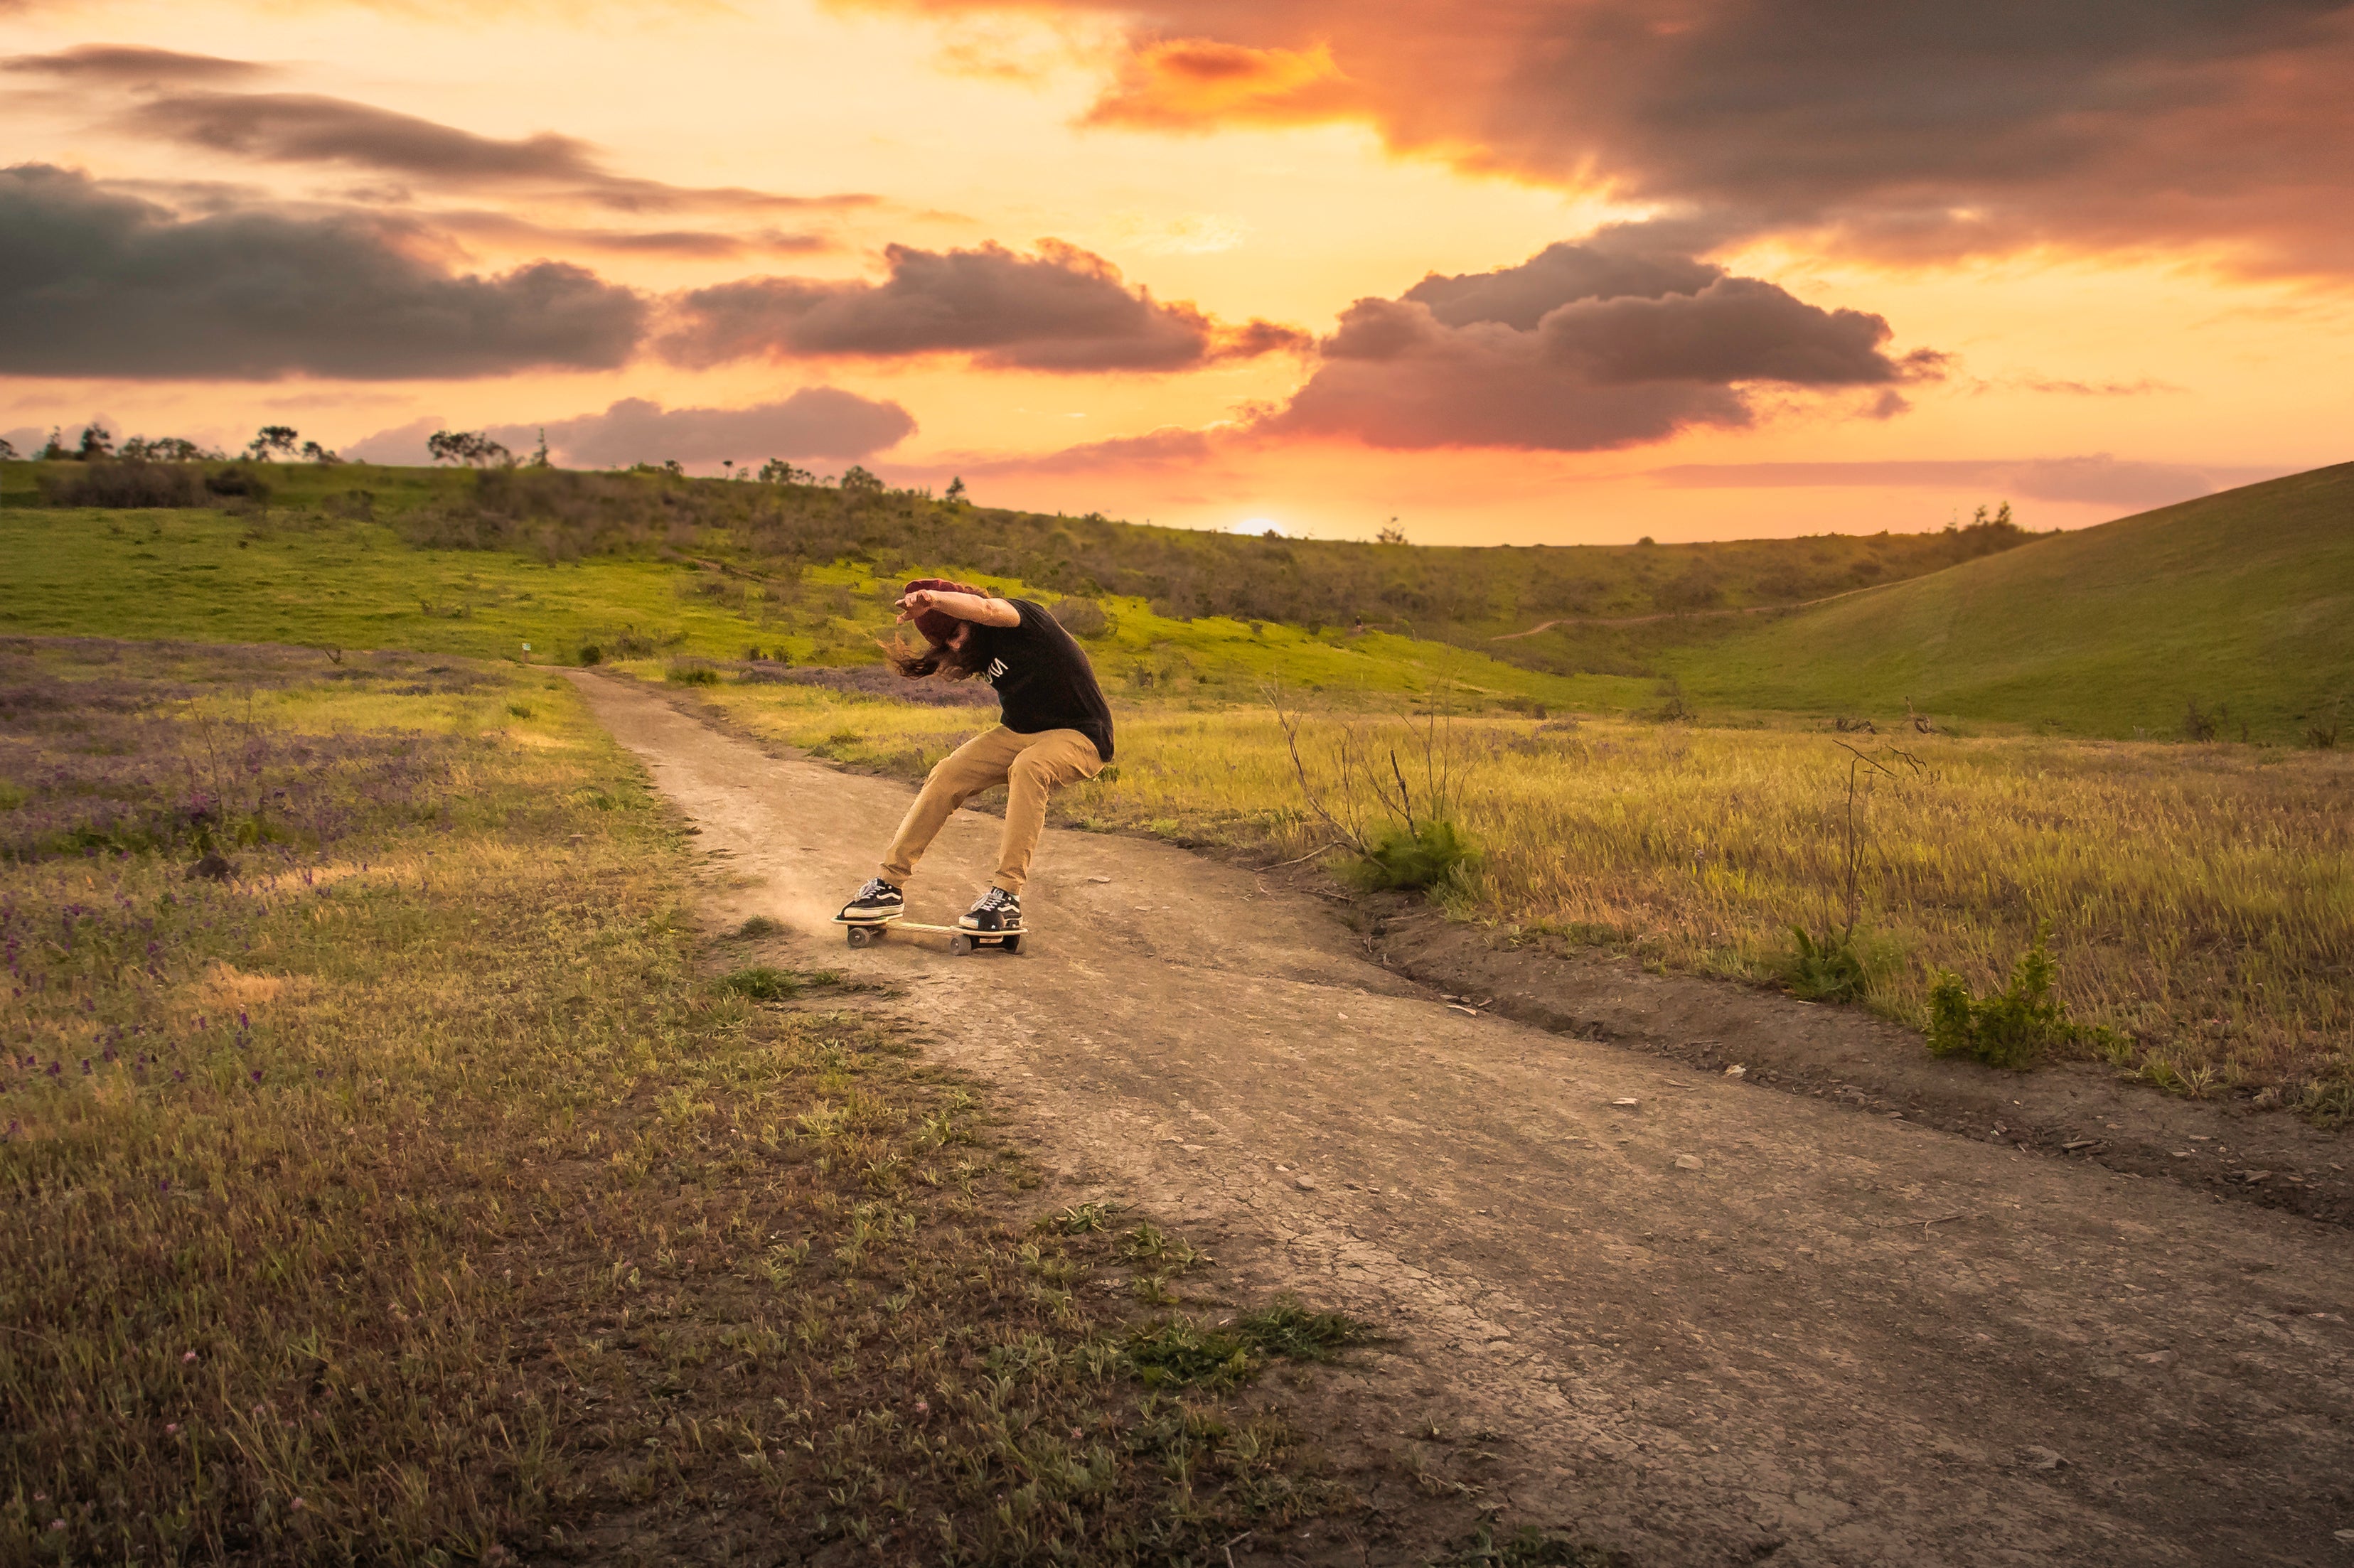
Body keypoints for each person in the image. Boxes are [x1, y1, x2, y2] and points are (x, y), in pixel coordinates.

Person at [837, 578, 1114, 934]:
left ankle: (1007, 895)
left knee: (1029, 767)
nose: (953, 644)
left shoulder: (1021, 617)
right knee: (947, 772)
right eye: (945, 641)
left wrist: (934, 599)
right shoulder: (974, 649)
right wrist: (935, 618)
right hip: (1019, 733)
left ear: (965, 611)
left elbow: (987, 608)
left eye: (956, 631)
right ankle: (888, 886)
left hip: (1081, 735)